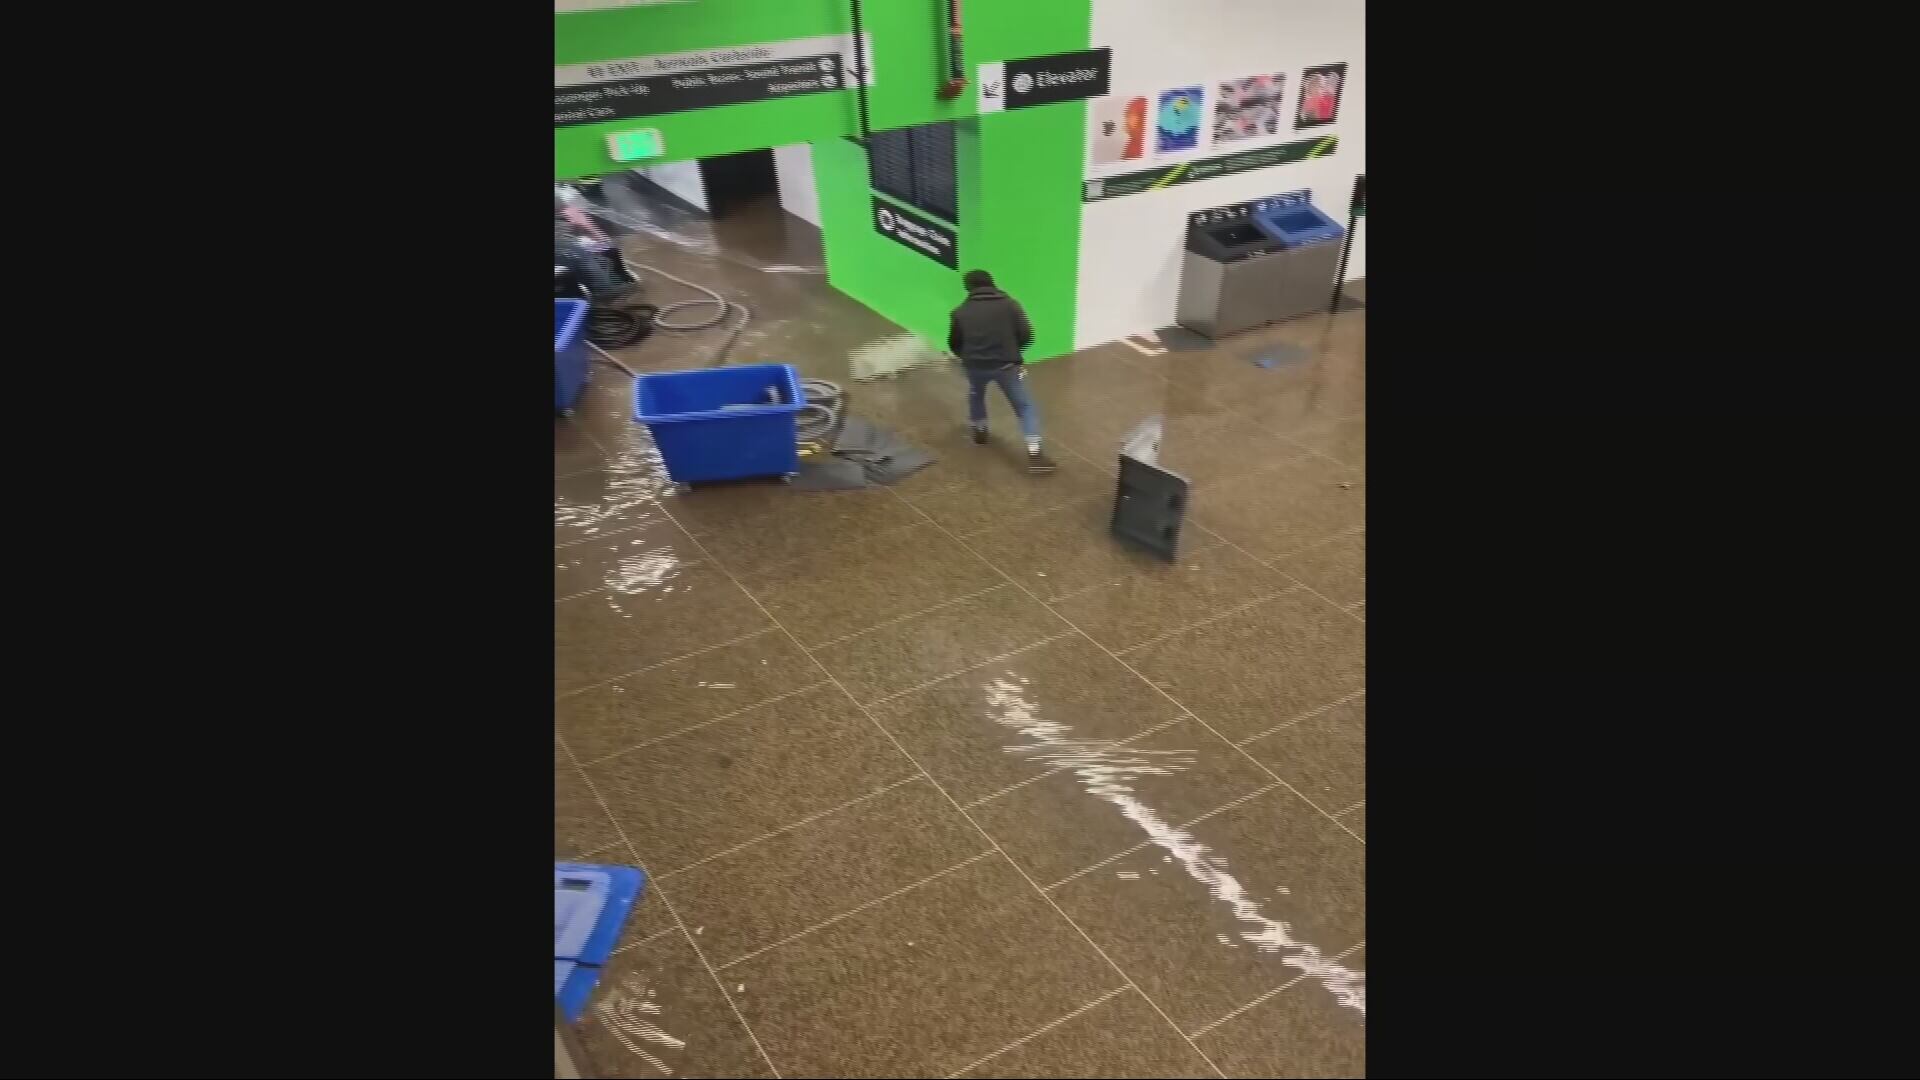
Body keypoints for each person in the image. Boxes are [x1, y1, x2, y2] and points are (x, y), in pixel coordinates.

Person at [948, 270, 1055, 474]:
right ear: (992, 283)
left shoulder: (960, 312)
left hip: (975, 367)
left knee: (976, 395)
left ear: (968, 288)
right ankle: (1035, 454)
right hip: (1006, 366)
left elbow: (954, 343)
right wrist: (1012, 352)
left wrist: (969, 357)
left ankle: (980, 430)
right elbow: (1026, 334)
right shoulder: (1010, 305)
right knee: (1024, 407)